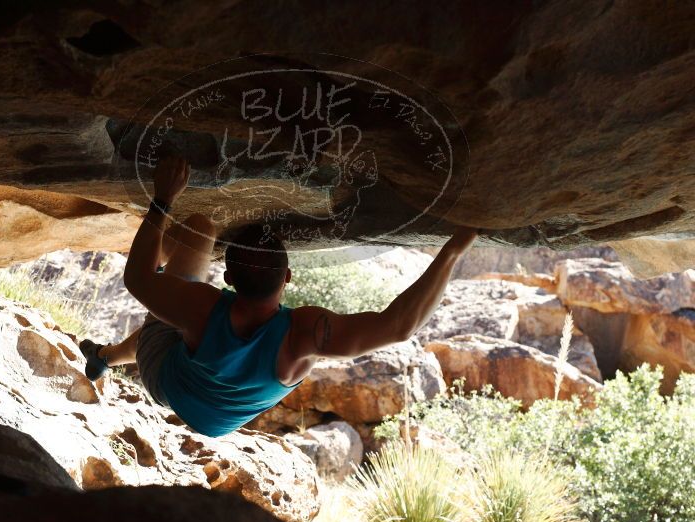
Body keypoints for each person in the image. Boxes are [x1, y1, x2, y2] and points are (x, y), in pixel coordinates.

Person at [80, 155, 477, 437]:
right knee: (169, 321)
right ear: (288, 275)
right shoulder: (303, 336)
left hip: (168, 382)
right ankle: (105, 358)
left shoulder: (201, 308)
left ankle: (106, 357)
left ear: (229, 277)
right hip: (217, 421)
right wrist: (454, 250)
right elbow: (400, 326)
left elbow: (137, 278)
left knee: (197, 231)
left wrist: (164, 199)